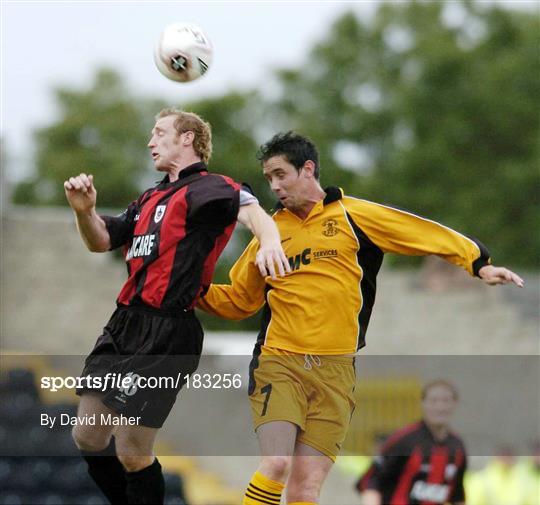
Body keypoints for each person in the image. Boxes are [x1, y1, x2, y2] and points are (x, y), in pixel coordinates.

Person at [197, 131, 524, 505]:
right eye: (268, 179)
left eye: (280, 175)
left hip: (337, 370)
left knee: (305, 489)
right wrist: (189, 290)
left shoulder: (355, 216)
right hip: (280, 362)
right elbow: (239, 300)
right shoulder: (270, 233)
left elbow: (420, 232)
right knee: (275, 463)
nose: (274, 187)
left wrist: (478, 263)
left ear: (308, 169)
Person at [64, 108, 289, 505]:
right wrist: (84, 212)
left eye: (159, 132)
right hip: (123, 324)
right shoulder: (149, 197)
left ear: (188, 138)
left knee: (132, 451)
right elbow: (100, 240)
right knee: (87, 435)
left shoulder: (210, 188)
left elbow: (254, 214)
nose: (151, 141)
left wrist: (270, 243)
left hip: (168, 333)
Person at [356, 380, 467, 505]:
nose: (440, 407)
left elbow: (457, 494)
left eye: (446, 401)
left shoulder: (457, 446)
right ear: (422, 403)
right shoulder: (404, 440)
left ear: (455, 404)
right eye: (434, 401)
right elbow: (371, 483)